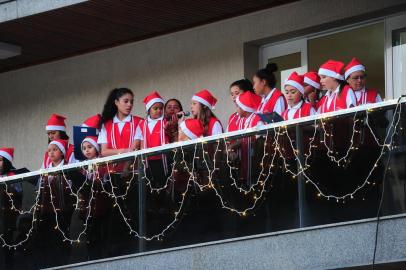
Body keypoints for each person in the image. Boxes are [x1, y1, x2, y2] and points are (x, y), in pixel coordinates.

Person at [135, 91, 170, 186]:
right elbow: (140, 143)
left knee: (164, 184)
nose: (159, 110)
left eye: (161, 108)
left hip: (163, 160)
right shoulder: (142, 124)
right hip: (147, 161)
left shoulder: (166, 122)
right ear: (149, 110)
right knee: (150, 185)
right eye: (155, 108)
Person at [97, 88, 142, 157]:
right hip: (112, 167)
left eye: (131, 102)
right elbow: (104, 151)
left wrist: (114, 152)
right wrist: (124, 151)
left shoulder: (139, 122)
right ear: (116, 102)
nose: (129, 105)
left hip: (134, 166)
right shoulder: (105, 125)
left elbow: (134, 149)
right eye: (126, 101)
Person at [0, 148, 22, 270]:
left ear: (7, 161)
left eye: (0, 160)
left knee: (8, 247)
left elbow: (18, 193)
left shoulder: (14, 176)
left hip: (9, 219)